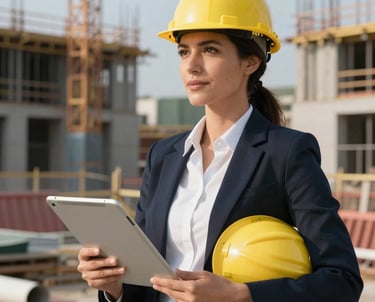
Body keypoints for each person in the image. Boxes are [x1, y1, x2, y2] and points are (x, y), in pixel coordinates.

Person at [77, 0, 364, 301]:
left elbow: (341, 280)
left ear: (250, 62)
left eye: (210, 50)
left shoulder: (287, 153)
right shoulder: (163, 156)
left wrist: (241, 295)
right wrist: (114, 287)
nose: (192, 64)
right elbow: (150, 279)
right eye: (184, 51)